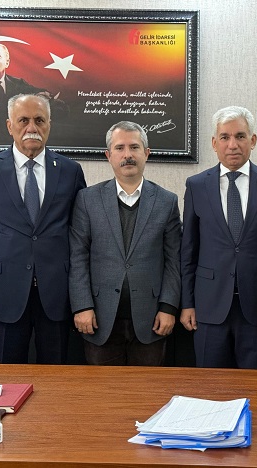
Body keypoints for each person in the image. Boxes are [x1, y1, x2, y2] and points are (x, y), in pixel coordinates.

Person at [0, 93, 86, 364]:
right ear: (10, 126)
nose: (32, 127)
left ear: (49, 125)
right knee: (9, 378)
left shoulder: (70, 171)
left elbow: (81, 238)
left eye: (39, 120)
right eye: (23, 120)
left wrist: (82, 300)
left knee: (56, 376)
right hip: (5, 294)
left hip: (57, 295)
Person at [180, 106, 257, 370]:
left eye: (240, 136)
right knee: (211, 385)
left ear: (252, 140)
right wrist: (187, 303)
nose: (233, 145)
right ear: (214, 143)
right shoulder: (196, 185)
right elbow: (188, 251)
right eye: (225, 137)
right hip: (209, 306)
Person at [69, 121, 181, 366]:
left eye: (134, 147)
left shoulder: (167, 201)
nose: (127, 155)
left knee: (146, 388)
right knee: (104, 388)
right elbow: (78, 257)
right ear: (108, 155)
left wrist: (168, 308)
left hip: (151, 320)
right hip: (98, 319)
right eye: (120, 148)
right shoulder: (87, 199)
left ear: (146, 153)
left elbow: (174, 261)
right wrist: (82, 306)